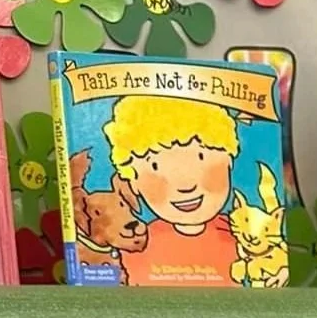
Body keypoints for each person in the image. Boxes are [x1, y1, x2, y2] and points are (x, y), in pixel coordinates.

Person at [103, 96, 240, 286]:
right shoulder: (136, 245)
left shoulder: (244, 236)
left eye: (200, 157)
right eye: (156, 166)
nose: (185, 185)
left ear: (229, 160)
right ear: (133, 180)